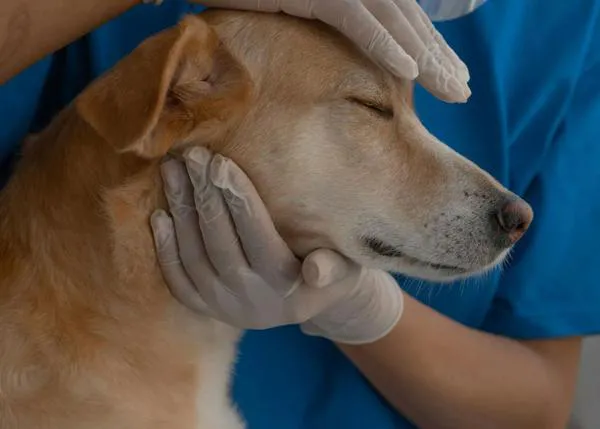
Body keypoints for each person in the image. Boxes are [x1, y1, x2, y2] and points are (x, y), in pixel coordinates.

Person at [1, 1, 600, 428]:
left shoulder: (567, 28)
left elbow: (540, 404)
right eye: (370, 106)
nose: (504, 208)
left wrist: (361, 311)